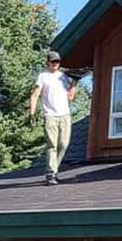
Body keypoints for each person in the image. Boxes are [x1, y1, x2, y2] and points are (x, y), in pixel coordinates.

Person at [29, 50, 76, 185]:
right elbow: (35, 94)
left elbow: (71, 97)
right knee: (52, 145)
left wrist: (74, 84)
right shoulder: (43, 76)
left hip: (65, 115)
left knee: (63, 144)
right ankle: (51, 173)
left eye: (57, 61)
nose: (55, 63)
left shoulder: (64, 76)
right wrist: (32, 113)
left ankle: (54, 169)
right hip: (50, 116)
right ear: (48, 62)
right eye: (53, 61)